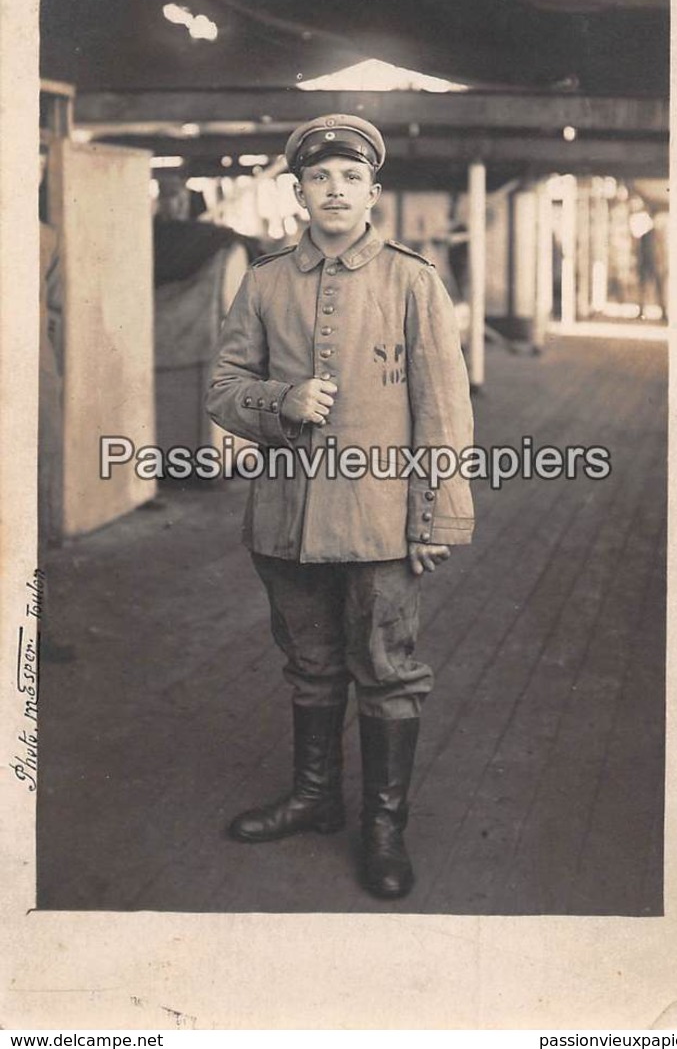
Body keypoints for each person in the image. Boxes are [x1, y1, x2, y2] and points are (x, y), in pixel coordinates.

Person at [205, 114, 474, 899]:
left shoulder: (411, 279)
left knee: (387, 674)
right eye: (319, 178)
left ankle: (384, 826)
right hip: (285, 519)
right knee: (311, 669)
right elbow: (222, 390)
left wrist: (435, 518)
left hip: (381, 520)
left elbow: (444, 411)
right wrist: (280, 399)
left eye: (350, 178)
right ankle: (315, 799)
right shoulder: (263, 281)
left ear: (372, 193)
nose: (334, 190)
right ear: (297, 192)